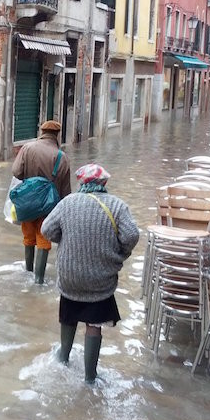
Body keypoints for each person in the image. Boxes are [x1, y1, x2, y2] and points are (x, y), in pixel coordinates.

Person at [41, 163, 139, 384]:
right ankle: (90, 377)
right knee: (94, 325)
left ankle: (63, 358)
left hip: (70, 277)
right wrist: (119, 254)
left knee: (68, 316)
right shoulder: (117, 206)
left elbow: (46, 230)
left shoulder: (67, 204)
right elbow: (131, 236)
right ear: (104, 183)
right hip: (100, 279)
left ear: (81, 182)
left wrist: (69, 243)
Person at [11, 120, 71, 284]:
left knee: (28, 237)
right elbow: (66, 192)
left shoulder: (27, 148)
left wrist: (31, 181)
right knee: (43, 240)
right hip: (49, 208)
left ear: (42, 132)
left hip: (28, 204)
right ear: (57, 135)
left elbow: (16, 172)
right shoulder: (62, 157)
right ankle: (38, 281)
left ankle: (27, 272)